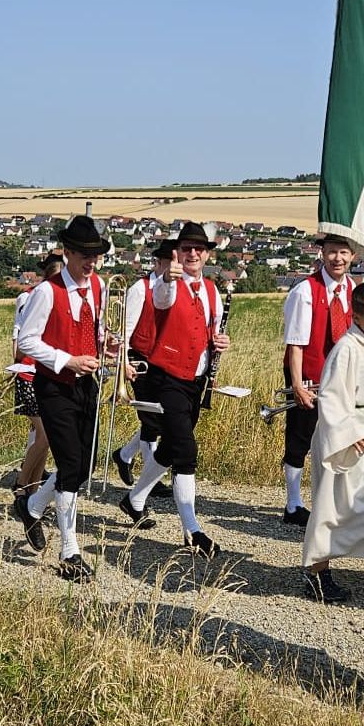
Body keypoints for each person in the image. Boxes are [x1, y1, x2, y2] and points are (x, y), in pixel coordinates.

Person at [118, 221, 232, 559]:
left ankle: (135, 499)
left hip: (196, 381)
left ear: (208, 254)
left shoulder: (212, 293)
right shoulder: (163, 285)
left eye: (199, 249)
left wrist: (220, 343)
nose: (193, 253)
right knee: (186, 451)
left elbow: (211, 333)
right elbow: (163, 299)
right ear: (176, 254)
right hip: (165, 377)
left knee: (170, 447)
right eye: (186, 249)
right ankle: (192, 529)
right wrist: (170, 278)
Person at [11, 216, 114, 581]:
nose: (91, 262)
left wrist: (108, 345)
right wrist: (66, 359)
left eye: (96, 255)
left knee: (82, 466)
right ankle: (69, 551)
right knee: (71, 465)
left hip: (87, 383)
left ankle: (32, 506)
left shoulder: (98, 287)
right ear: (67, 253)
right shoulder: (45, 292)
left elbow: (96, 330)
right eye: (85, 254)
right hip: (54, 385)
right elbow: (26, 340)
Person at [301, 281, 364, 604]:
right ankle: (317, 574)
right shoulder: (345, 349)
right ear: (357, 317)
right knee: (334, 505)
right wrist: (349, 433)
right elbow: (330, 399)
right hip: (346, 437)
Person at [279, 234, 359, 526]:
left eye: (343, 252)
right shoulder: (305, 291)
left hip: (340, 375)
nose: (337, 258)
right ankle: (292, 504)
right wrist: (298, 385)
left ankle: (336, 503)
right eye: (332, 252)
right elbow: (296, 344)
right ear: (322, 254)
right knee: (301, 436)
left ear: (353, 256)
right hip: (308, 372)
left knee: (341, 437)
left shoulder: (353, 289)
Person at [109, 240, 175, 498]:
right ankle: (150, 474)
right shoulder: (140, 288)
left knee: (159, 419)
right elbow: (125, 329)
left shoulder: (174, 290)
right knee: (151, 419)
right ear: (158, 263)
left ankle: (125, 455)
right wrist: (123, 362)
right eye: (170, 264)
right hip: (140, 360)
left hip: (162, 361)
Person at [12, 253, 64, 499]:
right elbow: (20, 343)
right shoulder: (31, 297)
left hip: (46, 374)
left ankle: (32, 488)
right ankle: (22, 484)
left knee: (45, 437)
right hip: (29, 372)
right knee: (46, 435)